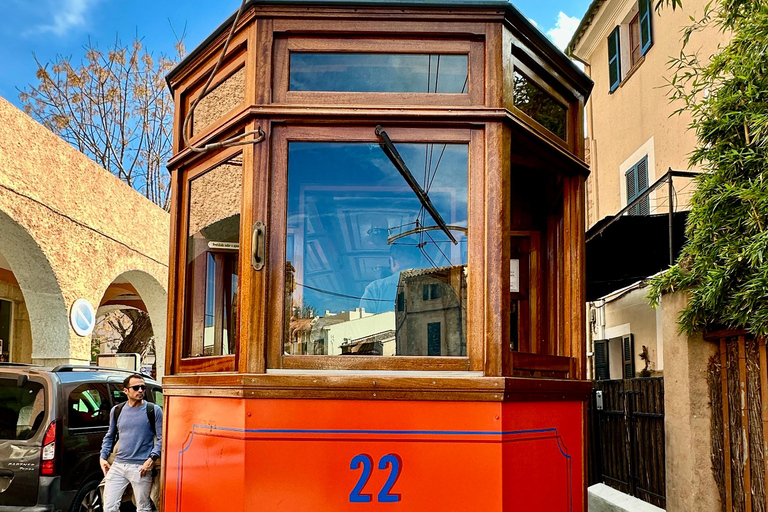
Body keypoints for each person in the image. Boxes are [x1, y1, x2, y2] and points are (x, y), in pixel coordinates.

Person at [100, 374, 162, 512]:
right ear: (126, 391)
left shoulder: (153, 410)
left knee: (143, 507)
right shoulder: (117, 410)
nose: (140, 390)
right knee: (109, 506)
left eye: (143, 387)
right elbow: (110, 435)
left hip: (140, 467)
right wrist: (102, 457)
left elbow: (162, 438)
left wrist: (151, 459)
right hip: (118, 465)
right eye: (136, 387)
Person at [360, 245, 421, 314]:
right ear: (420, 261)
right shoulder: (434, 281)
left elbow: (363, 321)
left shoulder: (375, 288)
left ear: (392, 261)